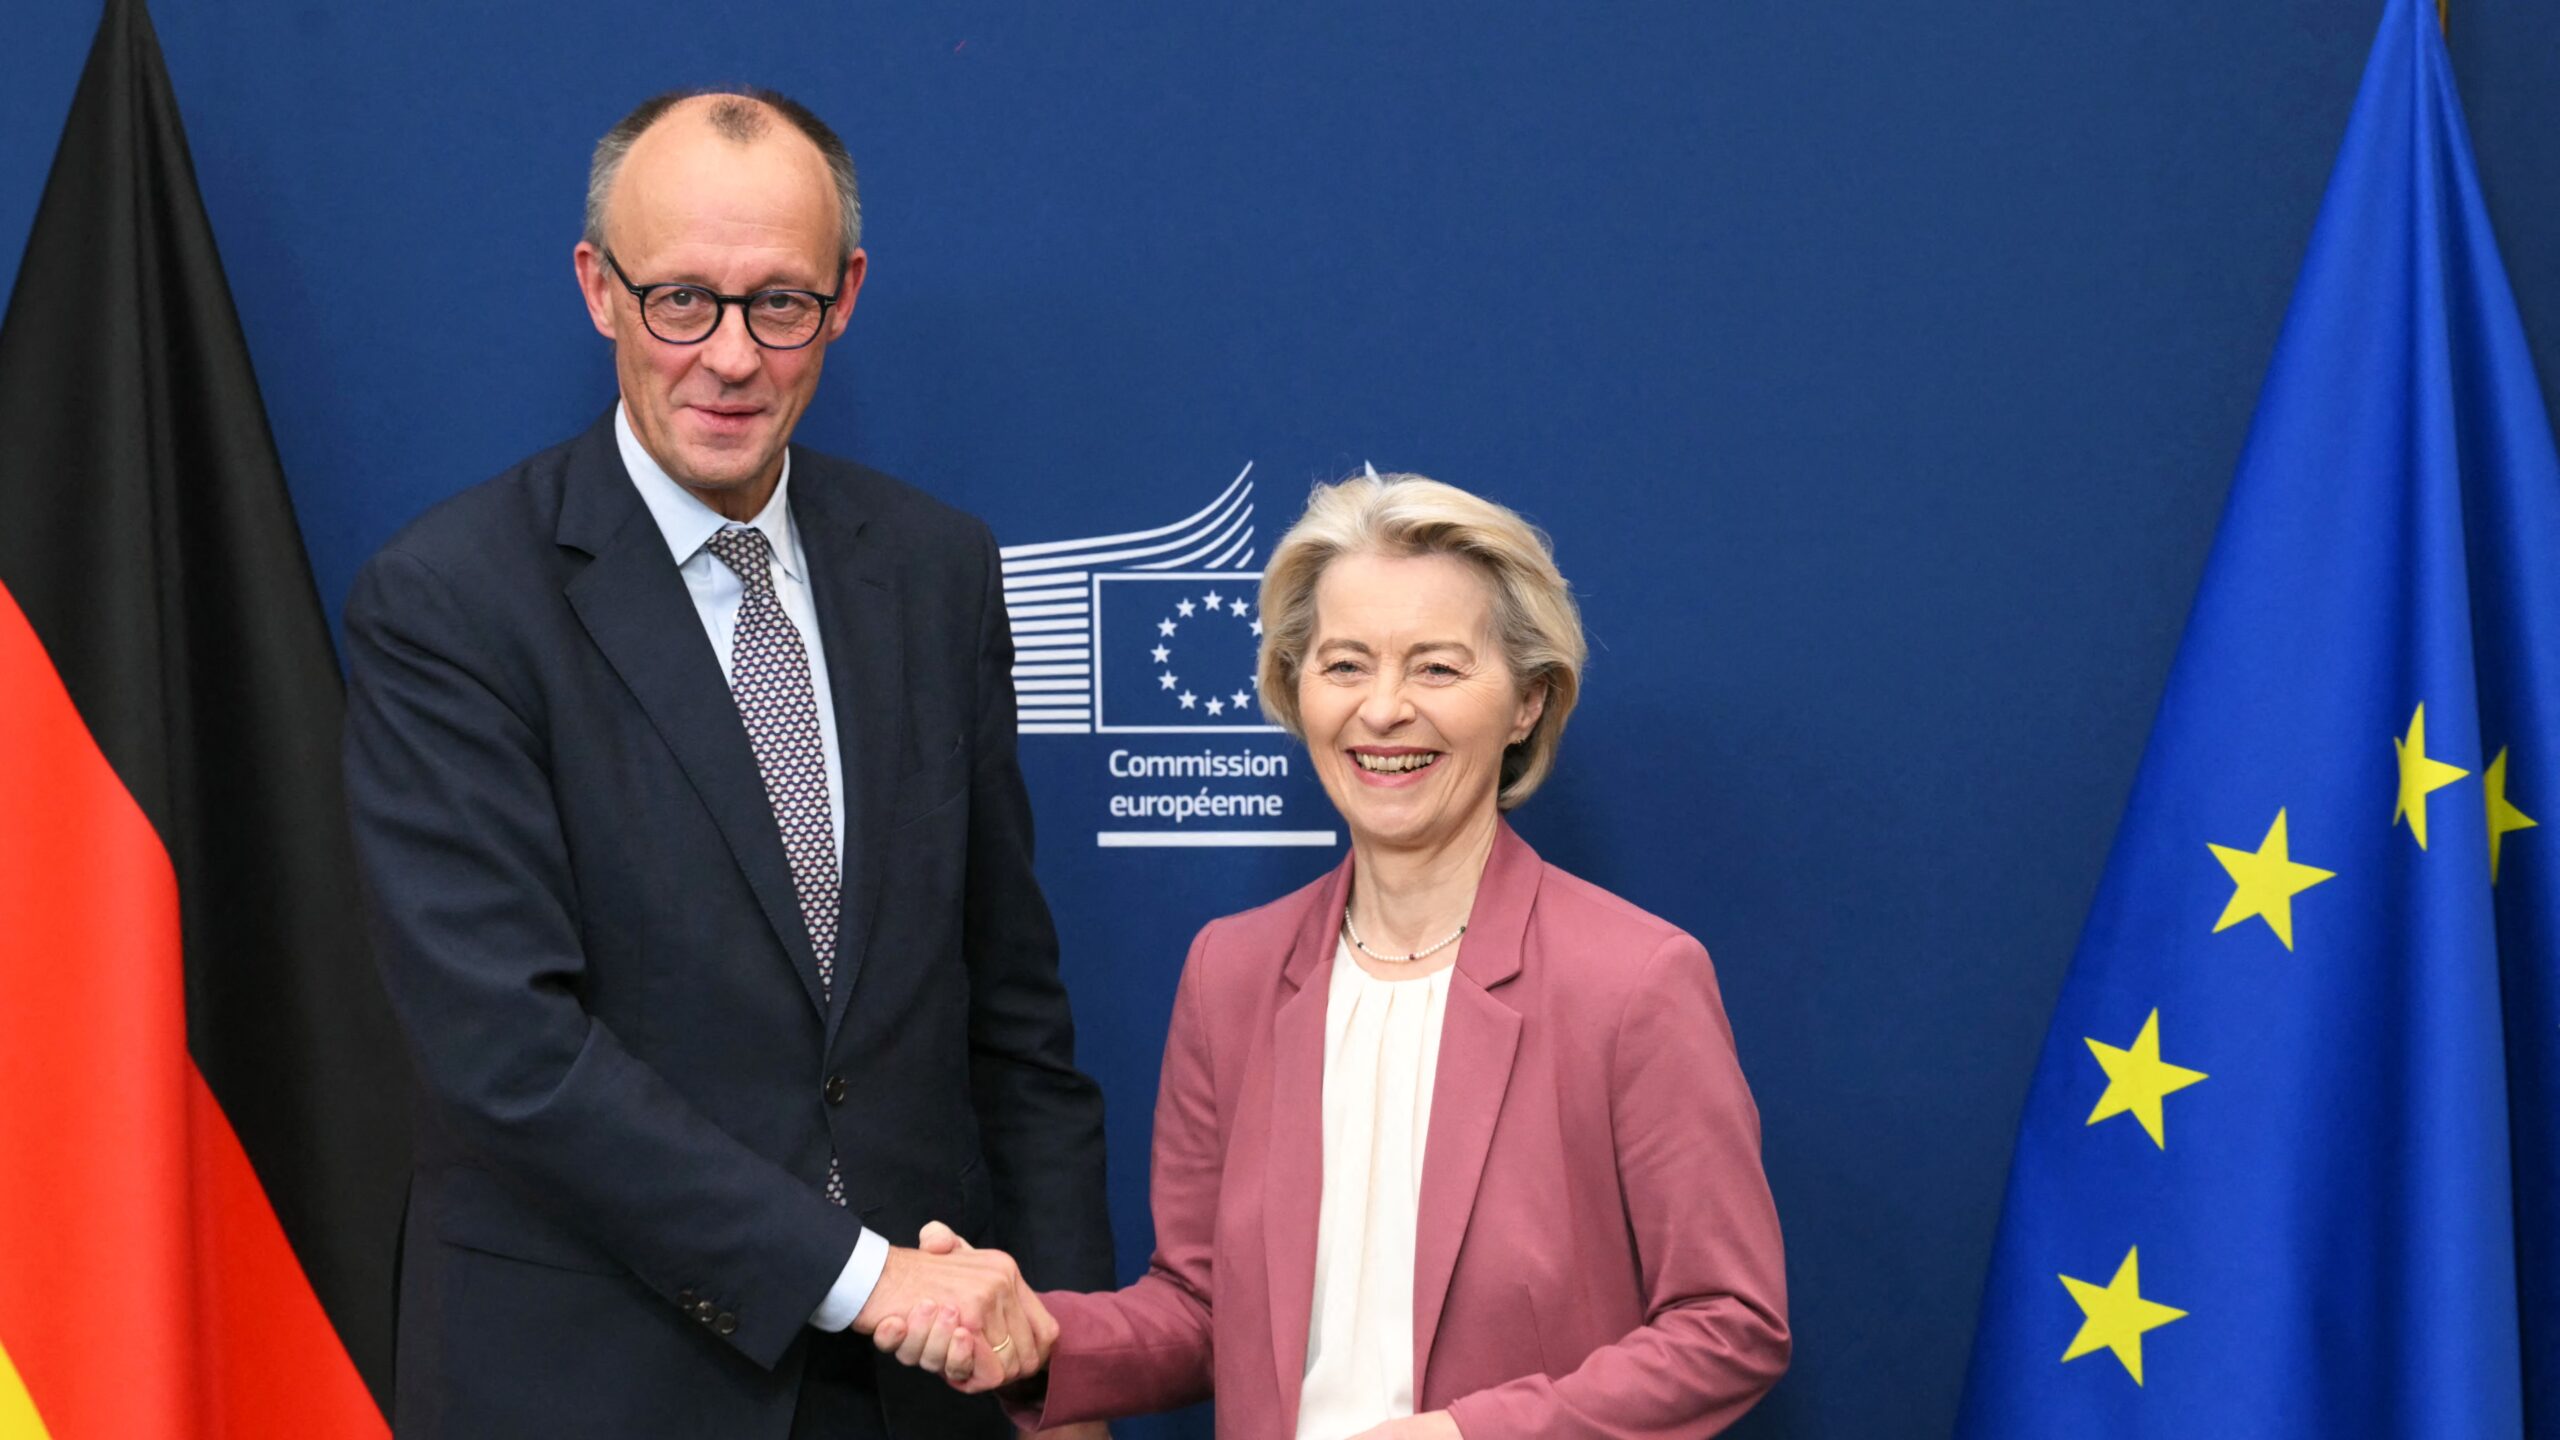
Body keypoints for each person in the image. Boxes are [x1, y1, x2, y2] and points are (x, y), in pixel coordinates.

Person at [341, 87, 1111, 1439]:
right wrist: (862, 1282)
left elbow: (1012, 1015)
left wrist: (1069, 1367)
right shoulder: (452, 599)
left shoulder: (937, 571)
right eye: (682, 300)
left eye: (781, 304)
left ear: (848, 295)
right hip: (595, 1383)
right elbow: (509, 1050)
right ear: (599, 288)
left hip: (924, 1399)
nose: (732, 358)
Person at [874, 471, 1791, 1437]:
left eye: (1436, 668)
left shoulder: (1635, 979)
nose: (1384, 710)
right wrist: (1044, 1338)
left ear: (1527, 702)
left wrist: (1465, 1436)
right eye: (1346, 664)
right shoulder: (1232, 970)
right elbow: (1205, 1310)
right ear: (1293, 688)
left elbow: (1729, 1325)